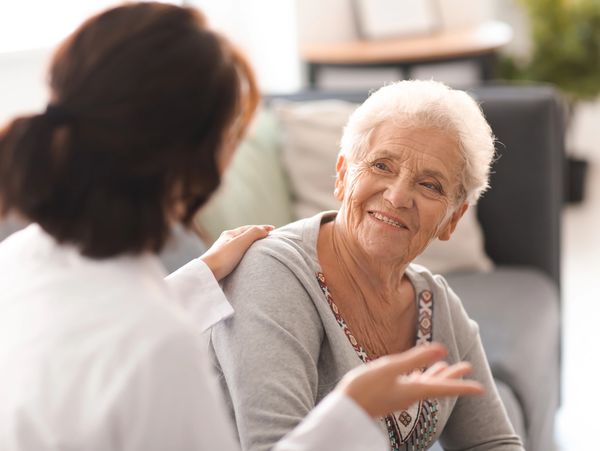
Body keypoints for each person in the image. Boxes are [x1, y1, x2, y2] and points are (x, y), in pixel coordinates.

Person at [0, 4, 484, 451]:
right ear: (199, 162)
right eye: (235, 133)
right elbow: (129, 344)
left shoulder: (20, 258)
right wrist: (351, 412)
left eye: (429, 185)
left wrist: (197, 279)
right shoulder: (159, 345)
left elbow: (99, 338)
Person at [211, 80, 526, 451]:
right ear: (343, 176)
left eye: (430, 185)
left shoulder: (437, 305)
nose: (397, 196)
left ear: (452, 220)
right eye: (382, 165)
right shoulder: (273, 273)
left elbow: (493, 443)